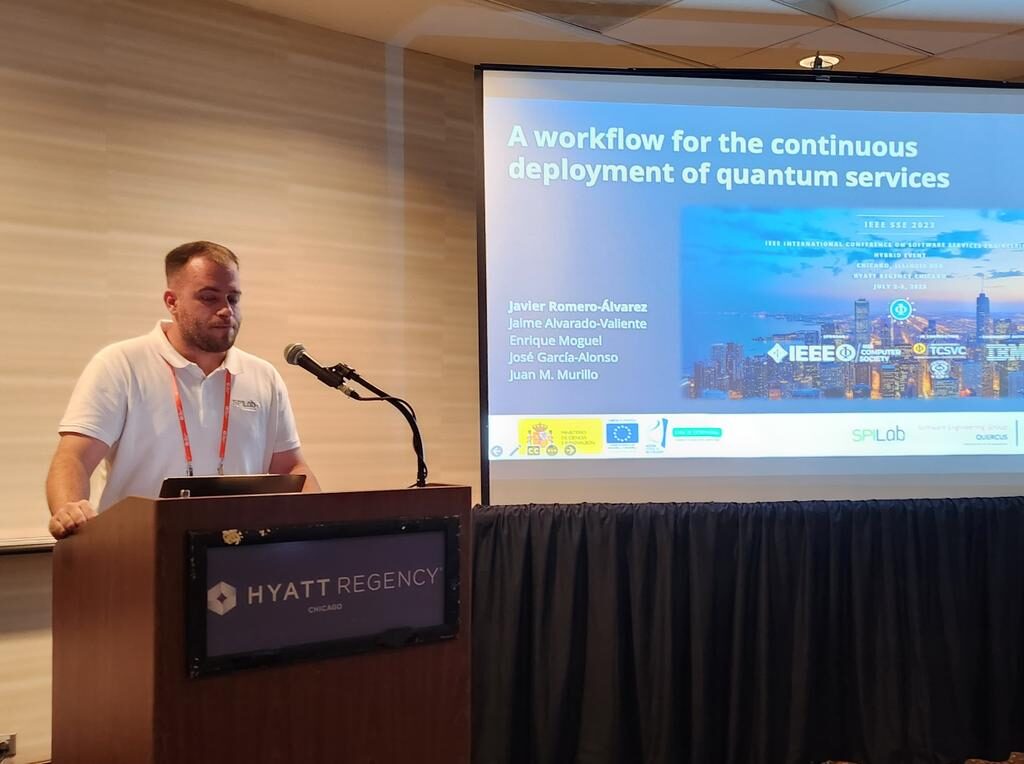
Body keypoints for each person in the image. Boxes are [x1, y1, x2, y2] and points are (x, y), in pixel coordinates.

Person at [45, 241, 320, 539]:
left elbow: (290, 468)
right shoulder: (120, 364)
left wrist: (323, 524)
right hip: (137, 549)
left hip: (240, 552)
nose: (226, 310)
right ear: (172, 302)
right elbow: (73, 458)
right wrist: (70, 508)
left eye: (233, 298)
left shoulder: (263, 376)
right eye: (209, 298)